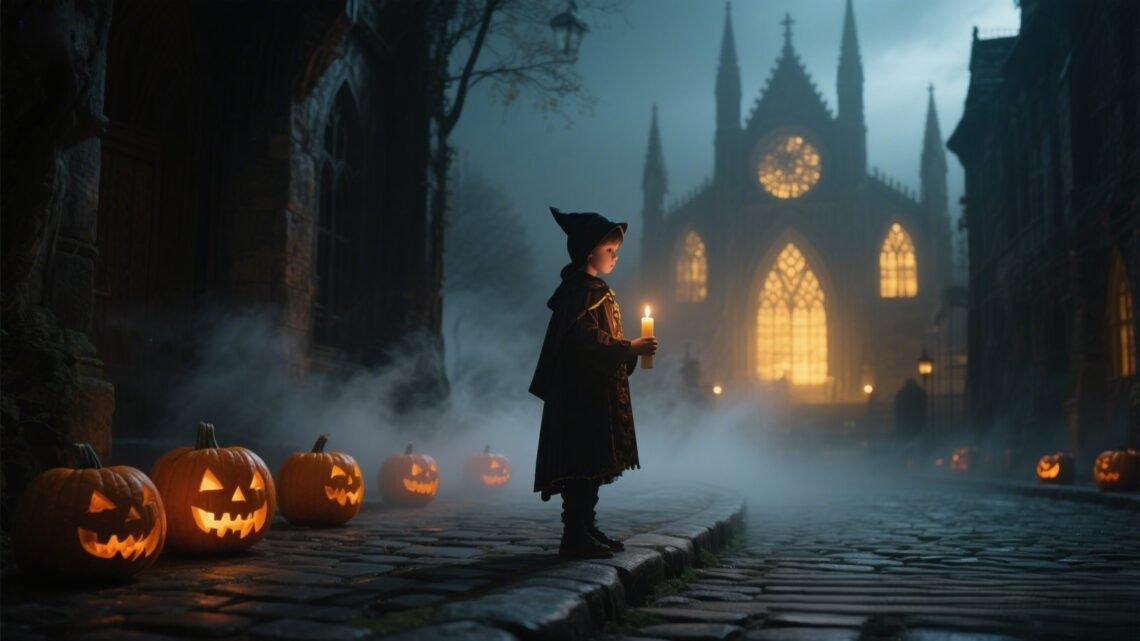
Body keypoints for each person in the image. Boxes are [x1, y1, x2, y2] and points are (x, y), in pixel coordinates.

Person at [529, 207, 658, 559]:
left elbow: (600, 340)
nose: (615, 257)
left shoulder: (594, 290)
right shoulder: (579, 293)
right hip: (578, 396)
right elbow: (584, 340)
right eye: (610, 251)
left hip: (593, 392)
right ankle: (574, 533)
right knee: (580, 462)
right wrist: (628, 347)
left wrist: (626, 352)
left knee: (594, 462)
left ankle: (586, 525)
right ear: (590, 252)